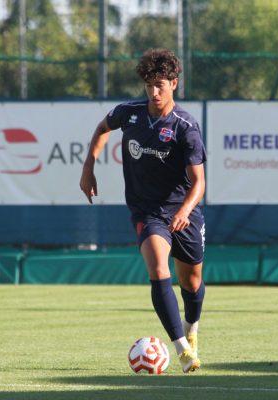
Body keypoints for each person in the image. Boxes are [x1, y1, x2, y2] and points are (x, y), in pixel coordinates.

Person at [79, 48, 206, 373]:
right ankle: (182, 351)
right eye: (149, 84)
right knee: (158, 270)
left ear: (174, 83)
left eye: (160, 84)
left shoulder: (184, 127)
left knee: (191, 283)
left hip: (183, 213)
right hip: (146, 211)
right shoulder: (130, 113)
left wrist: (185, 211)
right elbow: (102, 128)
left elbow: (199, 182)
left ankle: (192, 329)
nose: (153, 92)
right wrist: (89, 166)